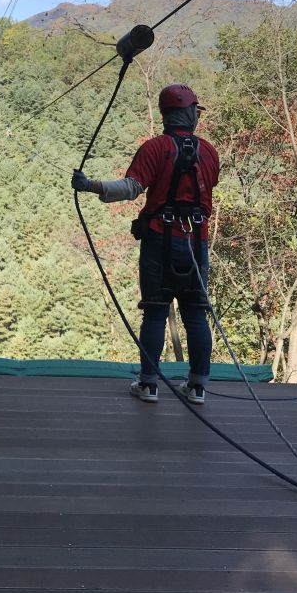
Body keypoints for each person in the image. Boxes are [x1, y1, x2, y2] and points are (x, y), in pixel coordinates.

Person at [71, 83, 219, 405]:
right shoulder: (209, 152)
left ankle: (149, 384)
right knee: (196, 314)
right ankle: (197, 387)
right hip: (196, 242)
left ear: (167, 115)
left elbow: (130, 187)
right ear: (189, 112)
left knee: (154, 312)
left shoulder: (155, 148)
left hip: (159, 242)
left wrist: (89, 185)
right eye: (196, 110)